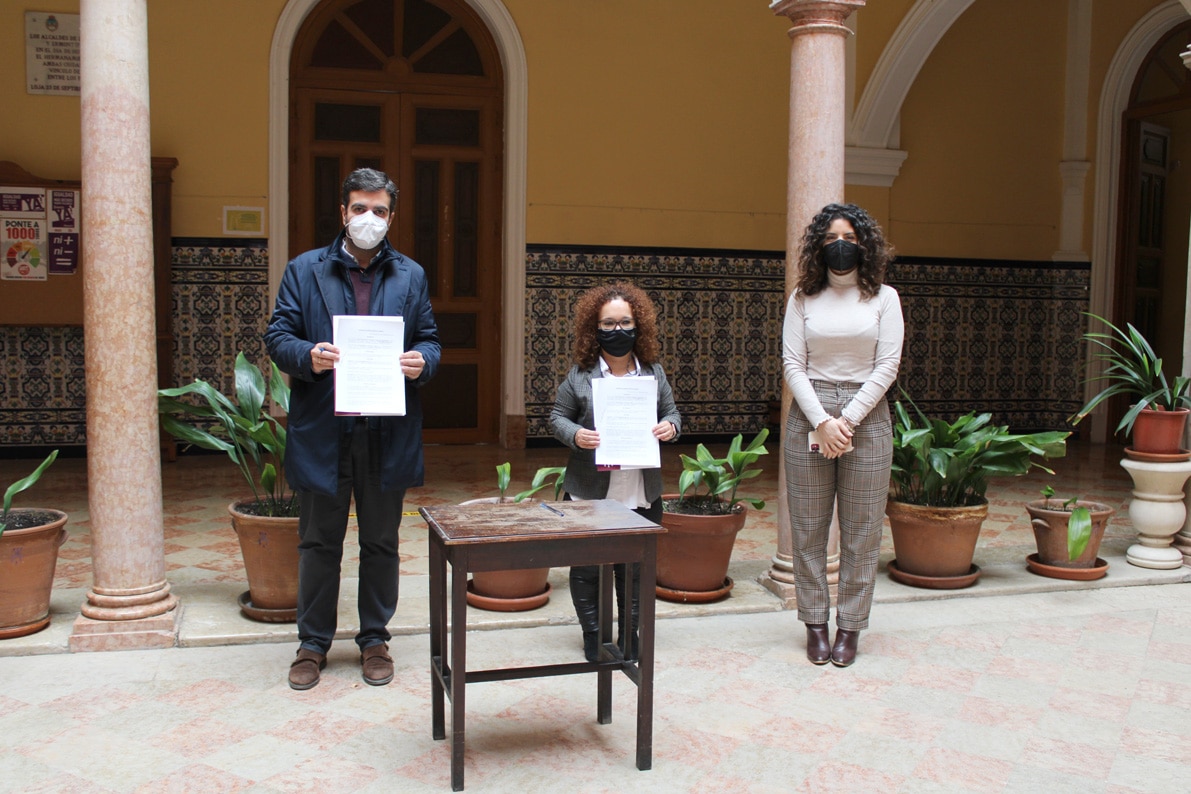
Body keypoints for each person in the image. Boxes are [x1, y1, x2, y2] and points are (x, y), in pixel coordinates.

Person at [265, 167, 441, 690]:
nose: (369, 218)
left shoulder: (410, 275)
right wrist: (309, 356)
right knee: (319, 541)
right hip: (326, 429)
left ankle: (374, 639)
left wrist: (421, 362)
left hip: (386, 430)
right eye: (360, 208)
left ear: (392, 216)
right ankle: (312, 643)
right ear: (343, 212)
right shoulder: (304, 270)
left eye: (380, 211)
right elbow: (279, 336)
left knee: (382, 542)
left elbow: (430, 339)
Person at [782, 202, 903, 668]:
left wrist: (846, 420)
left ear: (865, 245)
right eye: (833, 237)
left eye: (850, 238)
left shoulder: (884, 298)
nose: (841, 245)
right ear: (818, 245)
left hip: (867, 419)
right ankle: (815, 624)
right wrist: (821, 421)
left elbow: (888, 365)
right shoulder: (802, 298)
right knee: (809, 530)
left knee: (861, 532)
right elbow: (793, 363)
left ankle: (849, 627)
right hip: (809, 416)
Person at [549, 282, 681, 662]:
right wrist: (577, 434)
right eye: (609, 324)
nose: (618, 331)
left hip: (640, 487)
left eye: (626, 322)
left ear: (639, 326)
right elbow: (557, 418)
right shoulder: (580, 375)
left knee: (635, 569)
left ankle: (630, 637)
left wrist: (670, 427)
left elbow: (673, 414)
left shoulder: (653, 372)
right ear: (595, 329)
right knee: (587, 567)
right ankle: (593, 635)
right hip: (591, 489)